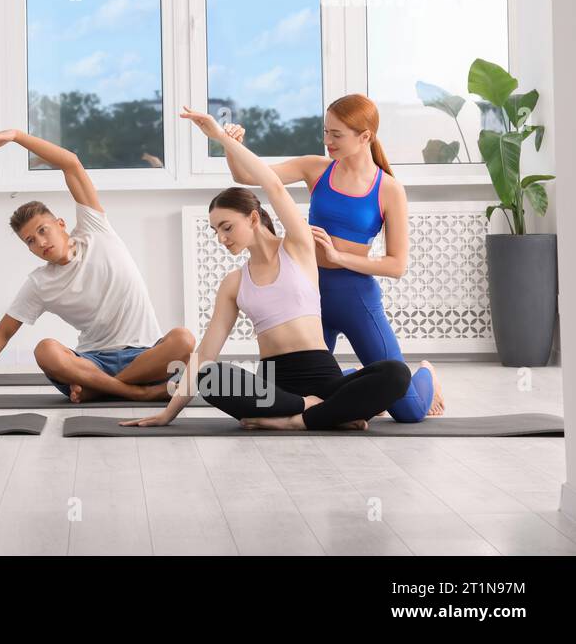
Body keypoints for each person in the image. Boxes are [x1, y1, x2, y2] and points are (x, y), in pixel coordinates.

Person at [121, 108, 411, 431]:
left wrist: (220, 138)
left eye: (226, 227)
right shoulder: (234, 284)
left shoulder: (297, 247)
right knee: (206, 374)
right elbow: (204, 353)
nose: (221, 238)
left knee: (396, 375)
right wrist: (167, 414)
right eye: (215, 231)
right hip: (276, 387)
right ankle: (319, 412)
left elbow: (271, 183)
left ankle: (295, 421)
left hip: (323, 376)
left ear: (254, 219)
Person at [221, 93, 443, 421]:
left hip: (355, 298)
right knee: (301, 397)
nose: (328, 141)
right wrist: (231, 144)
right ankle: (354, 378)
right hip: (309, 299)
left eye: (336, 134)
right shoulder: (316, 169)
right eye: (325, 132)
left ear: (365, 136)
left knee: (408, 411)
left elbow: (396, 265)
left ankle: (426, 374)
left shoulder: (389, 189)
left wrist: (339, 258)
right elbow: (248, 176)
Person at [0, 129, 195, 404]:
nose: (40, 242)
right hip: (92, 363)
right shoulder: (39, 283)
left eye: (43, 230)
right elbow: (1, 336)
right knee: (46, 350)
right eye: (30, 241)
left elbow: (70, 163)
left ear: (60, 223)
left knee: (184, 339)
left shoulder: (95, 230)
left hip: (145, 356)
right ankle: (135, 391)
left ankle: (101, 389)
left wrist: (16, 137)